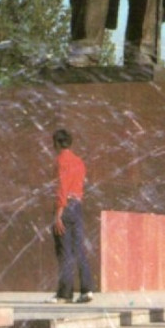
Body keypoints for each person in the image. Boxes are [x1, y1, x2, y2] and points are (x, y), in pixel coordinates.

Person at [47, 129, 94, 305]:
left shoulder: (61, 161)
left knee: (64, 251)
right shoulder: (79, 161)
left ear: (57, 143)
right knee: (79, 248)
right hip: (77, 205)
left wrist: (58, 213)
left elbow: (61, 187)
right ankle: (87, 289)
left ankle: (65, 294)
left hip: (65, 206)